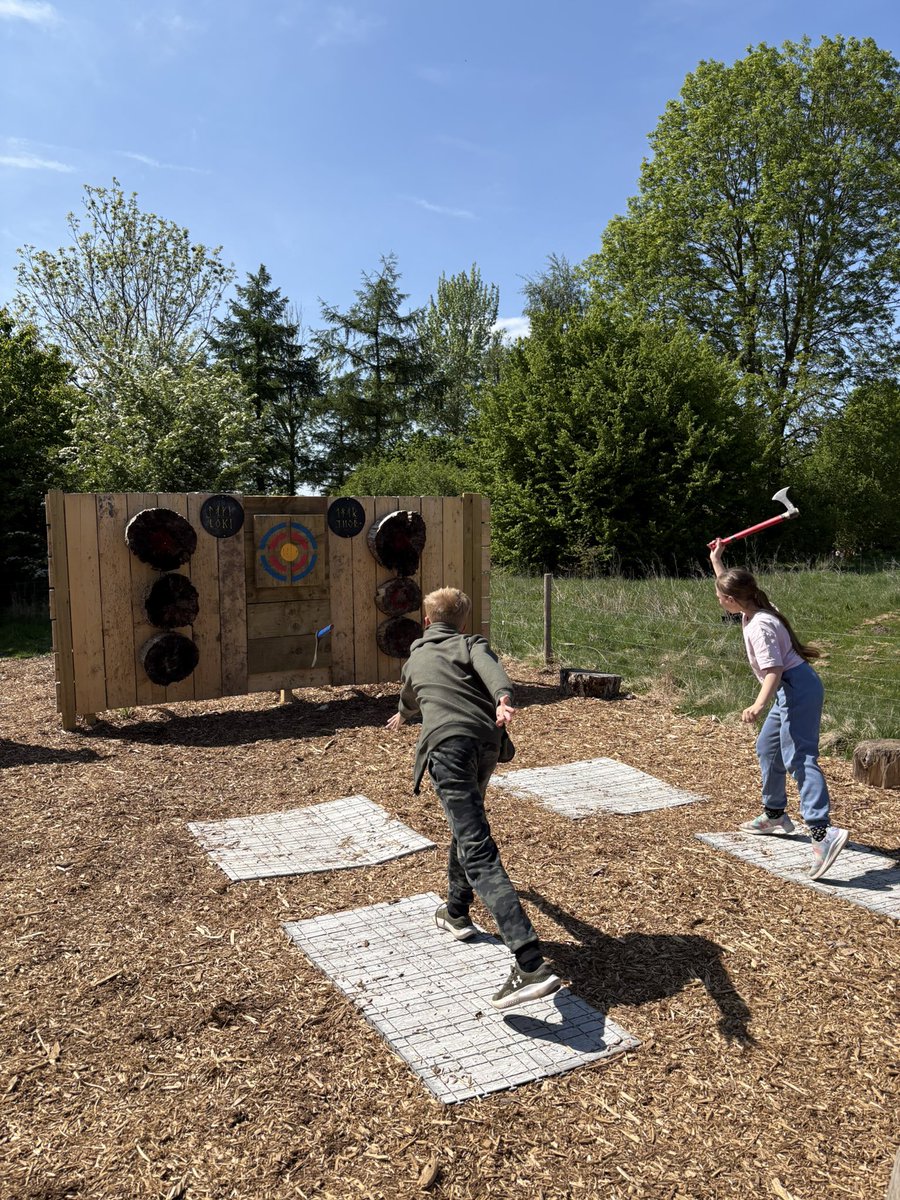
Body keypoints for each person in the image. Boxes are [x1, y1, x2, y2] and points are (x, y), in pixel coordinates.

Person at [387, 586, 561, 1010]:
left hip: (449, 748)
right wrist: (503, 699)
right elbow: (490, 671)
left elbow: (411, 696)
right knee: (467, 829)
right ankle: (456, 911)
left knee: (477, 847)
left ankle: (529, 962)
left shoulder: (415, 658)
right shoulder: (470, 644)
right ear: (461, 622)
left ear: (427, 621)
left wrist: (404, 714)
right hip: (485, 744)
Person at [710, 540, 849, 880]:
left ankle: (822, 832)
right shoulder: (755, 606)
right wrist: (717, 560)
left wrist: (758, 704)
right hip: (790, 689)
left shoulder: (758, 625)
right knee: (768, 748)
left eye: (719, 596)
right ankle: (775, 815)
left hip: (795, 688)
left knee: (799, 757)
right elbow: (728, 585)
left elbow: (774, 672)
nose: (717, 599)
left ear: (730, 601)